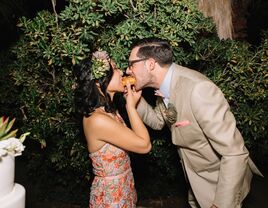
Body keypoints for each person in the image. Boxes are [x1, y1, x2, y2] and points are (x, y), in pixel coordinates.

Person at [126, 37, 263, 208]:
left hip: (219, 185)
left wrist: (221, 205)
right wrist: (133, 101)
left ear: (150, 64)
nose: (128, 70)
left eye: (131, 64)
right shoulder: (165, 86)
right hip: (195, 183)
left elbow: (234, 153)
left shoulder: (198, 90)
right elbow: (158, 122)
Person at [74, 50, 151, 208]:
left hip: (124, 187)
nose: (121, 72)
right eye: (115, 69)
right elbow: (144, 145)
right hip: (111, 197)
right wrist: (131, 107)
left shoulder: (108, 110)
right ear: (99, 82)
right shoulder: (98, 120)